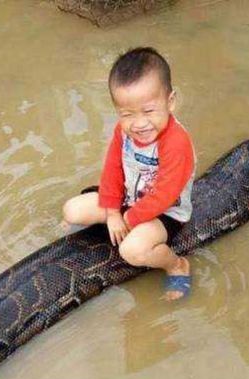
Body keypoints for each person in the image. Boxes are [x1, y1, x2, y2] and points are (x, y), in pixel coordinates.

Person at [61, 47, 195, 300]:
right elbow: (112, 169)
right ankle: (112, 220)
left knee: (132, 251)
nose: (139, 123)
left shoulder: (176, 143)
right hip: (129, 199)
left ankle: (176, 265)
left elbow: (165, 195)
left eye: (149, 111)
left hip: (165, 212)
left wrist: (129, 220)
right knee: (72, 211)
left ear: (170, 102)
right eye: (127, 114)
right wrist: (113, 213)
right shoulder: (123, 132)